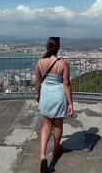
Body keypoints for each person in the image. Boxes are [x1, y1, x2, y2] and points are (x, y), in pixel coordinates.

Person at [34, 37, 73, 173]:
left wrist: (38, 94)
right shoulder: (63, 64)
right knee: (58, 125)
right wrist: (70, 103)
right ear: (58, 47)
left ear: (47, 47)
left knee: (46, 125)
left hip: (45, 95)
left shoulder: (39, 62)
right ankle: (56, 149)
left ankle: (43, 155)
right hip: (58, 96)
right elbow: (66, 84)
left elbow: (38, 81)